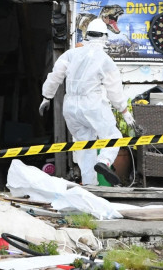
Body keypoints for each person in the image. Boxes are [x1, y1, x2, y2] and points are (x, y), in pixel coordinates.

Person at [39, 18, 135, 186]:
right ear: (105, 37)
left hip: (70, 107)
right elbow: (114, 91)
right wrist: (124, 112)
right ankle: (104, 162)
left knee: (85, 145)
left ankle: (90, 185)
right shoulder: (105, 60)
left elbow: (54, 77)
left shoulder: (70, 54)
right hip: (92, 105)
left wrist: (46, 97)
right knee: (113, 136)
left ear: (87, 36)